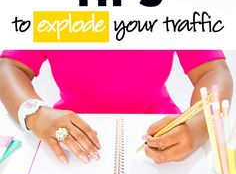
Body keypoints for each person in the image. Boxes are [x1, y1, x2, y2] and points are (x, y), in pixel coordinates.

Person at [0, 50, 233, 165]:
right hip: (70, 131)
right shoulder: (53, 0)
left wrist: (200, 123)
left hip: (162, 130)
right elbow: (9, 67)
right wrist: (36, 113)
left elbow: (213, 71)